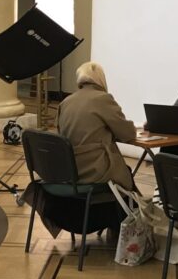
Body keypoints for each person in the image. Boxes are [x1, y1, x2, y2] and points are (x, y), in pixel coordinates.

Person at [56, 61, 136, 190]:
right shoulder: (103, 99)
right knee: (125, 172)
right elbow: (128, 134)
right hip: (94, 169)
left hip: (69, 169)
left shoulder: (65, 102)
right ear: (101, 78)